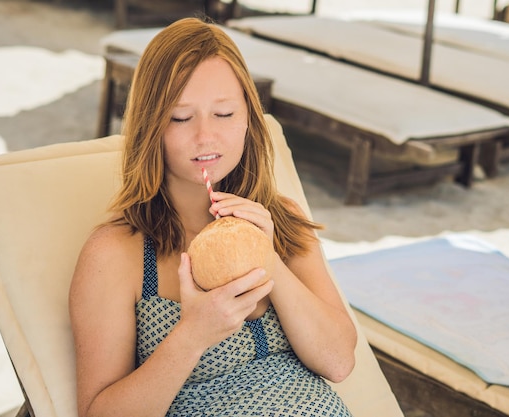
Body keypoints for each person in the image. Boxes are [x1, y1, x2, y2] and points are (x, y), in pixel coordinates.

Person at [69, 17, 357, 417]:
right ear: (150, 127)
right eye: (181, 118)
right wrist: (192, 336)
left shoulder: (281, 220)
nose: (205, 137)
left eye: (223, 114)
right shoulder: (117, 252)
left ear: (247, 121)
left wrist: (267, 257)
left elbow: (338, 361)